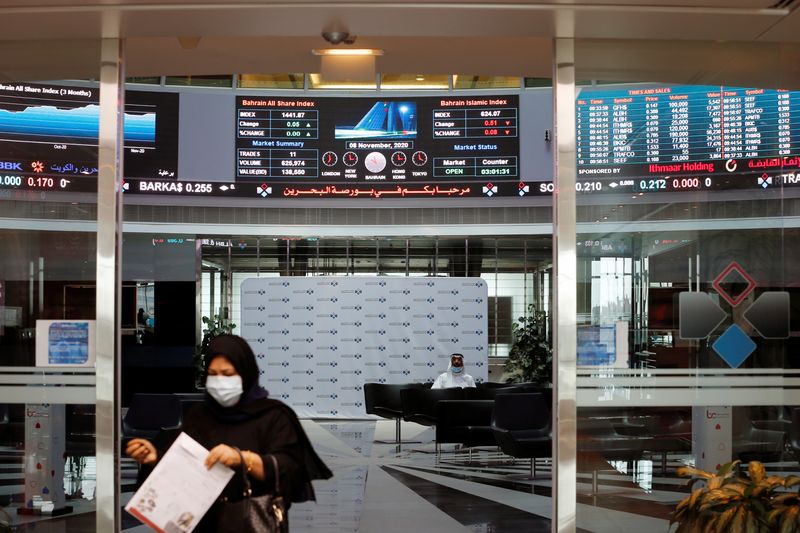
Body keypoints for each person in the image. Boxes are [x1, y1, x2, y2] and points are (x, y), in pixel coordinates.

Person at [126, 334, 332, 532]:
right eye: (213, 374)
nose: (219, 381)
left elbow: (290, 471)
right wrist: (155, 459)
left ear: (245, 374)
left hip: (250, 522)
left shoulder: (273, 416)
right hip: (201, 523)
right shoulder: (199, 416)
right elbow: (186, 465)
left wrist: (243, 459)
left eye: (227, 374)